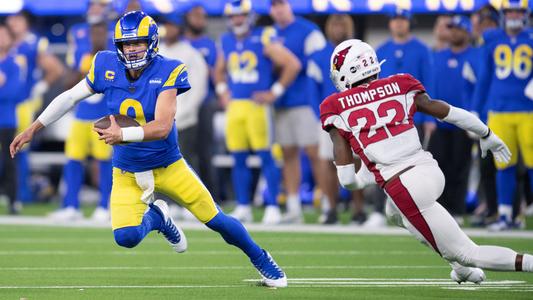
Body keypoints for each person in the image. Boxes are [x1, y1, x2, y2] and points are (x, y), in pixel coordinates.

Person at [11, 10, 287, 288]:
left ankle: (261, 257)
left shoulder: (169, 69)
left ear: (152, 42)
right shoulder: (105, 64)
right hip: (127, 170)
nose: (131, 50)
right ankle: (157, 218)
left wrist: (123, 133)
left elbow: (163, 126)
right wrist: (33, 128)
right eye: (126, 44)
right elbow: (70, 96)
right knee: (126, 237)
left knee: (216, 220)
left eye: (137, 43)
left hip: (168, 165)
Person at [321, 38, 532, 284]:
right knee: (394, 212)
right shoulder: (399, 83)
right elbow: (446, 111)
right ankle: (460, 269)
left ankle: (521, 263)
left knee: (467, 252)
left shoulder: (334, 106)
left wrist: (366, 176)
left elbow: (347, 181)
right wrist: (487, 134)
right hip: (429, 170)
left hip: (403, 185)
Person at [215, 0, 301, 224]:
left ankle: (272, 205)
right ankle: (243, 205)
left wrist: (274, 92)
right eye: (233, 16)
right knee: (238, 157)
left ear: (249, 16)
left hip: (257, 107)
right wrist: (223, 91)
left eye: (241, 15)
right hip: (236, 107)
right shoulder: (226, 40)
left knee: (266, 156)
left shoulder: (264, 36)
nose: (237, 20)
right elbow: (218, 71)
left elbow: (292, 64)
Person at [48, 0, 115, 222]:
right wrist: (84, 67)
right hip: (82, 109)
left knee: (104, 160)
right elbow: (70, 77)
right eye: (94, 4)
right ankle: (71, 205)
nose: (97, 9)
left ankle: (105, 205)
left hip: (105, 109)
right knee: (73, 158)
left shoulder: (117, 34)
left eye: (101, 5)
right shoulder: (77, 33)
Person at [471, 0, 533, 230]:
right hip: (498, 111)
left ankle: (519, 215)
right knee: (503, 164)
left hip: (529, 111)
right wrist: (476, 110)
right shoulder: (493, 39)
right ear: (504, 14)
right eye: (510, 11)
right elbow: (484, 78)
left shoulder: (530, 38)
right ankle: (505, 216)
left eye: (518, 11)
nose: (514, 15)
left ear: (525, 14)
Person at [270, 0, 326, 222]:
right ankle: (294, 207)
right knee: (288, 154)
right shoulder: (270, 33)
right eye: (274, 5)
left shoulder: (308, 31)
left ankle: (327, 203)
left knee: (315, 152)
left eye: (281, 4)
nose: (278, 9)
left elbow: (320, 63)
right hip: (282, 103)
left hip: (305, 101)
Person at [6, 10, 64, 208]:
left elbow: (56, 68)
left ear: (26, 23)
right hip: (5, 101)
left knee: (18, 146)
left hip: (23, 103)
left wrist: (41, 87)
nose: (13, 24)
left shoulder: (33, 43)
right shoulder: (6, 42)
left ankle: (21, 193)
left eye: (17, 20)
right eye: (11, 20)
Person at [312, 14, 365, 225]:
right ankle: (331, 208)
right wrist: (320, 114)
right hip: (328, 116)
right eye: (334, 24)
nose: (338, 29)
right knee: (327, 161)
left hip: (353, 113)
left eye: (342, 25)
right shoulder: (319, 55)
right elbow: (312, 87)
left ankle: (359, 210)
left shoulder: (358, 51)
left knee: (358, 160)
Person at [428, 16, 476, 223]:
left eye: (458, 30)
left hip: (463, 120)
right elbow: (430, 86)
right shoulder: (438, 56)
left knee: (460, 165)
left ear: (467, 32)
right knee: (439, 165)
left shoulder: (475, 56)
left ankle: (457, 209)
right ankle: (440, 209)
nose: (454, 33)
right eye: (452, 29)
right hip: (440, 120)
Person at [159, 13, 208, 174]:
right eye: (167, 25)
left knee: (185, 162)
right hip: (159, 120)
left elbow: (199, 88)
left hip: (184, 120)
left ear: (180, 28)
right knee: (160, 163)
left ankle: (192, 198)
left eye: (172, 25)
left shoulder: (191, 54)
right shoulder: (158, 52)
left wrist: (184, 112)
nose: (169, 29)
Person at [183, 2, 219, 195]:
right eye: (196, 15)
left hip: (205, 102)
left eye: (202, 16)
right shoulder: (181, 45)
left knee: (205, 152)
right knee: (184, 152)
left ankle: (210, 195)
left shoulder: (209, 44)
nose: (200, 20)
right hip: (181, 105)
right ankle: (186, 195)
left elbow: (217, 73)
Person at [0, 24, 23, 214]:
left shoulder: (14, 65)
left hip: (6, 120)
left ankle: (13, 201)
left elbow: (13, 93)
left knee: (9, 162)